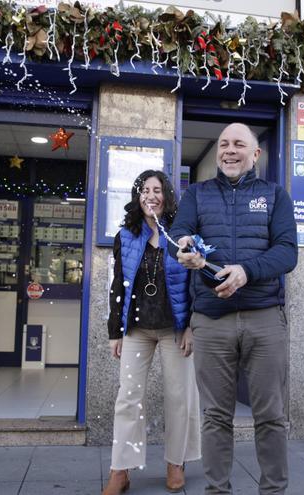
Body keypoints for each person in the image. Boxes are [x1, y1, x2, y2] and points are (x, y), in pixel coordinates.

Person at [170, 122, 298, 495]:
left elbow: (287, 252)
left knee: (271, 416)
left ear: (254, 154)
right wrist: (185, 248)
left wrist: (246, 272)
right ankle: (217, 490)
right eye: (223, 143)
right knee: (215, 417)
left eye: (238, 144)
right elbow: (179, 233)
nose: (229, 150)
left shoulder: (275, 196)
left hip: (265, 319)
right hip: (211, 320)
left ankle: (273, 490)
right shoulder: (196, 194)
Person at [103, 170, 200, 495]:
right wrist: (115, 331)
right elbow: (118, 285)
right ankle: (121, 469)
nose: (151, 195)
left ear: (167, 196)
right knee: (127, 397)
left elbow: (195, 284)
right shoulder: (126, 235)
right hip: (136, 329)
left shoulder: (182, 234)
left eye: (157, 190)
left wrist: (190, 326)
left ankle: (176, 461)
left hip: (175, 329)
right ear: (137, 196)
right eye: (145, 190)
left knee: (179, 398)